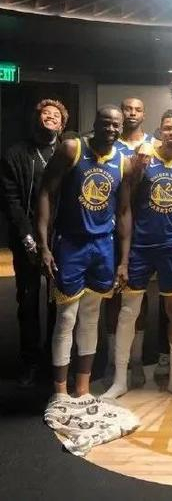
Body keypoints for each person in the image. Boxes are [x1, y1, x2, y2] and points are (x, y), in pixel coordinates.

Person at [103, 109, 172, 400]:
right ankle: (120, 379)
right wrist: (124, 256)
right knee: (129, 311)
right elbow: (125, 205)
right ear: (159, 131)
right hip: (140, 247)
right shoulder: (141, 159)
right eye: (168, 128)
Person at [37, 105, 133, 399]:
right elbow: (45, 192)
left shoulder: (124, 162)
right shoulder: (72, 148)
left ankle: (82, 389)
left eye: (116, 125)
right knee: (66, 317)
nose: (111, 129)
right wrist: (44, 244)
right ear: (95, 122)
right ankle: (60, 392)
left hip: (103, 245)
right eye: (106, 123)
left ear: (121, 128)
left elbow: (124, 211)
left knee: (91, 317)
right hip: (70, 243)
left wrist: (123, 260)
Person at [0, 99, 69, 386]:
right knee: (28, 300)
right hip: (26, 235)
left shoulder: (68, 151)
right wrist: (29, 239)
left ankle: (54, 359)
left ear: (62, 124)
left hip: (60, 236)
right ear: (36, 119)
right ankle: (29, 361)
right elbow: (11, 201)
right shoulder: (16, 154)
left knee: (58, 301)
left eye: (56, 115)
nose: (51, 117)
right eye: (46, 113)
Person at [104, 97, 152, 390]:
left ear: (144, 114)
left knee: (138, 294)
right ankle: (113, 360)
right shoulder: (110, 144)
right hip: (111, 226)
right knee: (112, 293)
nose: (132, 113)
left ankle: (136, 359)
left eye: (137, 109)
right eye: (127, 109)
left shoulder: (154, 144)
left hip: (143, 227)